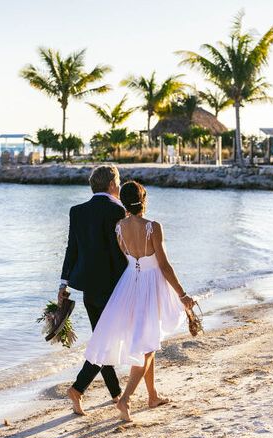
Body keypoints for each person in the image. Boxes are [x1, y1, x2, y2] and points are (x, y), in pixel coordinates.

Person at [85, 181, 195, 422]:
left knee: (149, 341)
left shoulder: (119, 227)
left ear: (124, 202)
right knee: (147, 347)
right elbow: (164, 265)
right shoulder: (153, 227)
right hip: (150, 284)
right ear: (143, 200)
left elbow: (128, 258)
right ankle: (125, 399)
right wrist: (182, 294)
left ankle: (152, 395)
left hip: (131, 283)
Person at [59, 165, 127, 415]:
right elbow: (121, 252)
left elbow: (71, 250)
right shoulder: (118, 210)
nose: (119, 188)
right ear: (112, 185)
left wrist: (63, 283)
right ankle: (77, 388)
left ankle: (115, 392)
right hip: (113, 288)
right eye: (118, 183)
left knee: (102, 337)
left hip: (89, 290)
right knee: (105, 342)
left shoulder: (77, 212)